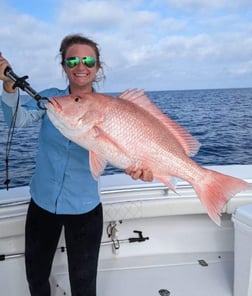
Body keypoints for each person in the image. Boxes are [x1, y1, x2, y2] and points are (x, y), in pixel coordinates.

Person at [0, 34, 153, 296]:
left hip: (84, 210)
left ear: (97, 67)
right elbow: (19, 119)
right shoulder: (50, 100)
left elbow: (126, 150)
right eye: (72, 59)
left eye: (88, 60)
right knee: (36, 278)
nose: (80, 65)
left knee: (83, 286)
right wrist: (9, 86)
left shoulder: (113, 110)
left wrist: (140, 167)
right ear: (63, 66)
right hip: (42, 205)